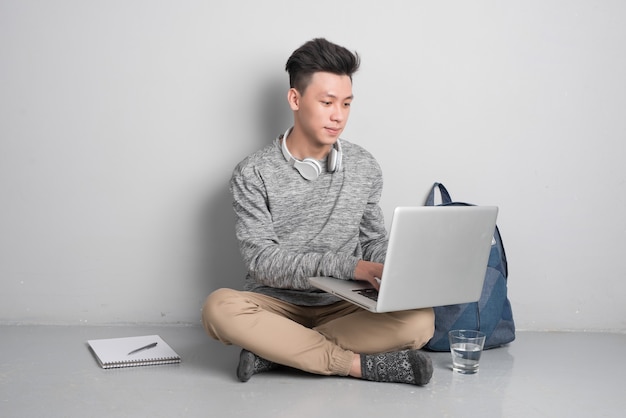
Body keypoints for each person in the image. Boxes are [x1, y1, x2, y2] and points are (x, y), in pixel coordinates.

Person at [202, 38, 435, 386]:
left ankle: (278, 352)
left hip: (346, 305)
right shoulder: (253, 173)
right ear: (295, 99)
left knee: (421, 320)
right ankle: (355, 365)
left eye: (346, 103)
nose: (338, 115)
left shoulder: (364, 166)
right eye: (326, 102)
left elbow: (373, 242)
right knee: (218, 309)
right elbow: (263, 261)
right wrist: (351, 266)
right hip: (275, 306)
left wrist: (397, 268)